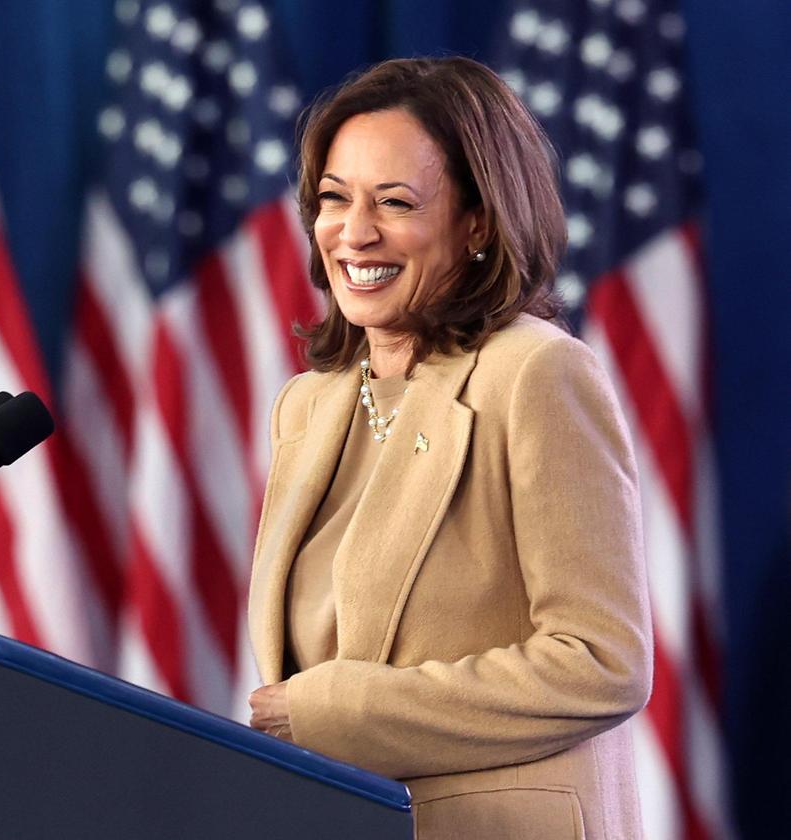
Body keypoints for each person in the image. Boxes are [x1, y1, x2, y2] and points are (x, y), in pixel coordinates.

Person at [246, 57, 652, 839]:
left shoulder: (535, 374)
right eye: (334, 199)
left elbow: (602, 661)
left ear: (477, 222)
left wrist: (337, 710)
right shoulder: (309, 405)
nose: (354, 233)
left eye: (395, 203)